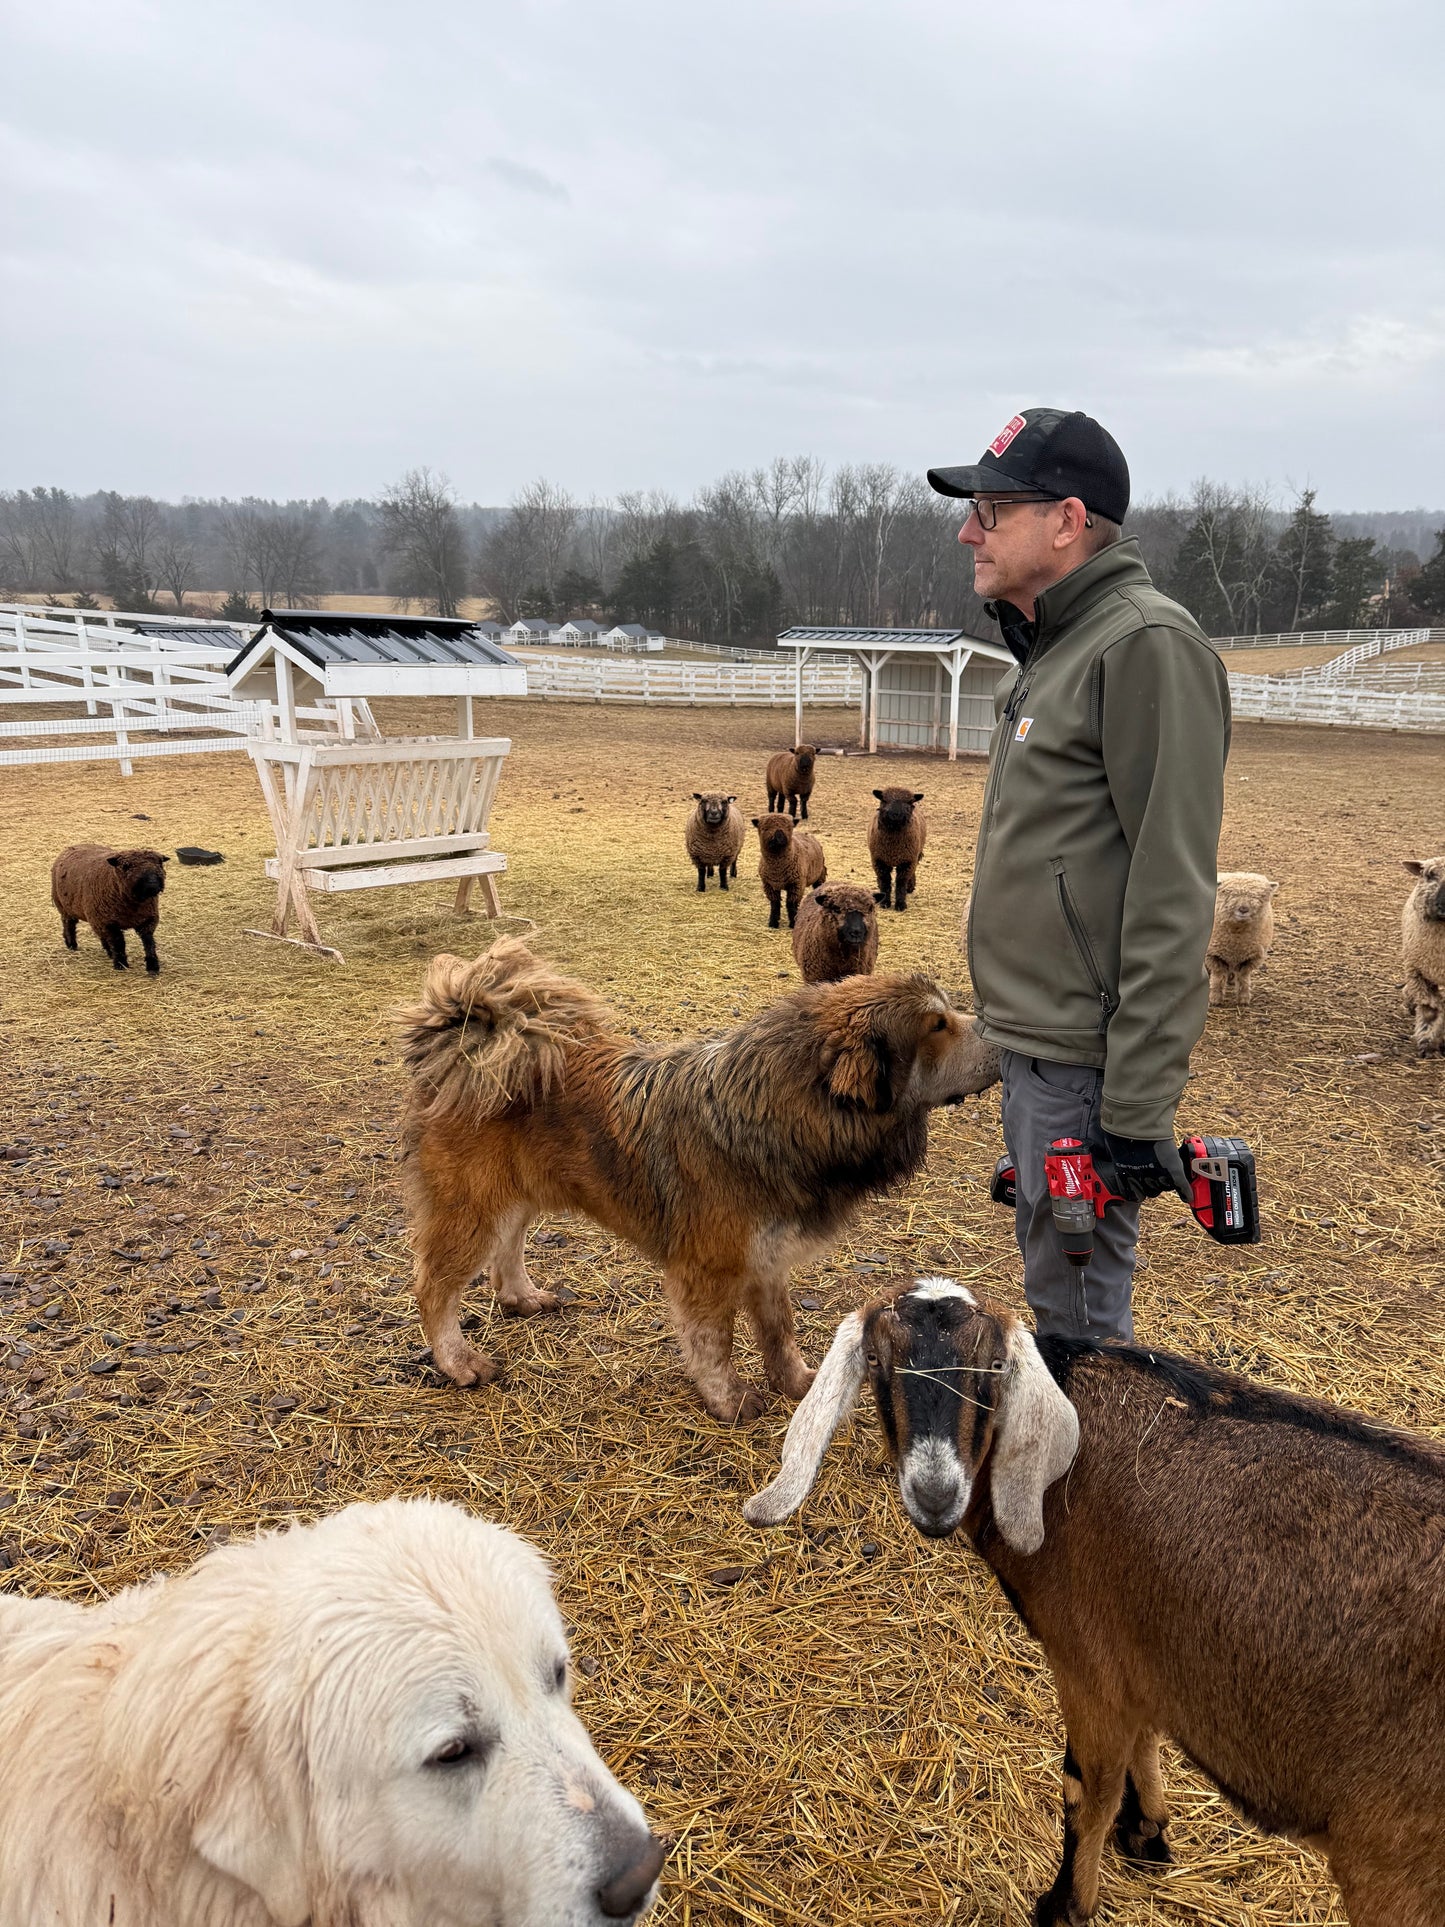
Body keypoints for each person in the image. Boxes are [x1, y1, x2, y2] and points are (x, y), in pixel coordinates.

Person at [927, 408, 1230, 1342]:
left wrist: (1135, 1104)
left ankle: (1088, 1479)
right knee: (1053, 1280)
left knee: (1080, 1320)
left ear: (1066, 519)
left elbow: (1172, 886)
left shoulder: (1141, 645)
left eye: (990, 509)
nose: (967, 529)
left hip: (1084, 1061)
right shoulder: (1055, 647)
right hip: (1035, 1044)